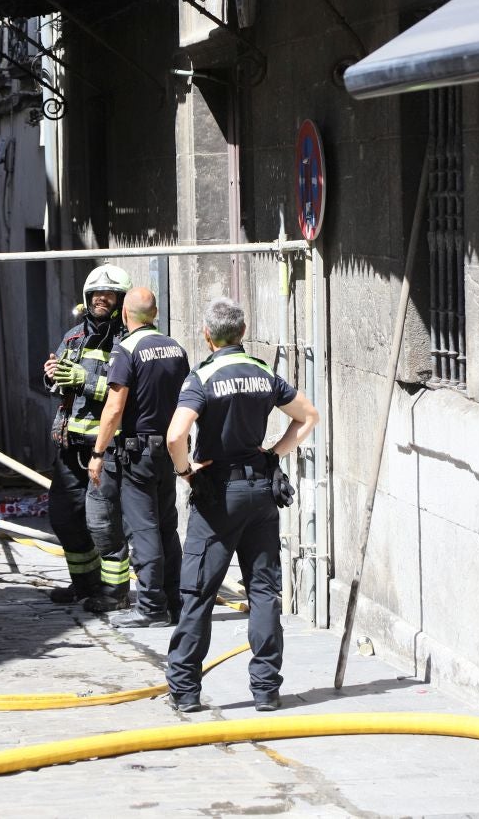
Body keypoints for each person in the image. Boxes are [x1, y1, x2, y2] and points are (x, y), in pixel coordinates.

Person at [164, 297, 318, 713]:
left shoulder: (203, 377)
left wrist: (186, 472)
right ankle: (266, 691)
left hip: (218, 494)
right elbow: (308, 416)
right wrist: (275, 454)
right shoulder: (263, 372)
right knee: (264, 591)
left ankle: (185, 690)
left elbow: (176, 437)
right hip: (261, 492)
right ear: (244, 333)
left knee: (198, 590)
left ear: (207, 335)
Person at [88, 287, 189, 628]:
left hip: (138, 453)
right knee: (167, 527)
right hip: (170, 448)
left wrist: (98, 452)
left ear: (125, 315)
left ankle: (150, 607)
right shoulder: (176, 347)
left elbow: (114, 408)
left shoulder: (126, 350)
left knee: (143, 531)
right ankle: (176, 602)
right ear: (155, 312)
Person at [43, 264, 132, 612]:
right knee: (65, 519)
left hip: (106, 448)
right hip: (69, 446)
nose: (100, 299)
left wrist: (85, 380)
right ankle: (84, 584)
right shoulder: (72, 337)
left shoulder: (127, 341)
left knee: (104, 524)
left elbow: (127, 395)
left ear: (120, 300)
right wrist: (53, 375)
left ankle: (114, 592)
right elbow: (60, 387)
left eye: (108, 295)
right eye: (95, 294)